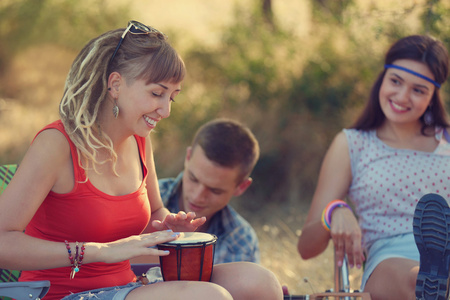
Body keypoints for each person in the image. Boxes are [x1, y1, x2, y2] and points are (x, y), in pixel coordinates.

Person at [0, 20, 283, 300]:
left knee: (259, 282)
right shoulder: (57, 144)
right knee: (210, 297)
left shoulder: (140, 140)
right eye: (157, 93)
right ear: (115, 84)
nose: (165, 110)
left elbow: (154, 214)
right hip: (62, 293)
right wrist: (99, 250)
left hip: (128, 286)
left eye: (173, 97)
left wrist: (169, 226)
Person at [297, 34, 450, 300]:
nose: (402, 96)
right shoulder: (352, 144)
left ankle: (440, 275)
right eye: (396, 81)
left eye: (418, 90)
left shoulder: (447, 140)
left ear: (433, 95)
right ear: (383, 78)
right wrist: (336, 210)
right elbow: (307, 247)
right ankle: (434, 281)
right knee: (416, 280)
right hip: (389, 257)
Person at [159, 118, 260, 264]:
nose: (198, 196)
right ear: (188, 157)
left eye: (215, 190)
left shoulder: (242, 242)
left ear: (241, 187)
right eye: (193, 179)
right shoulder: (143, 199)